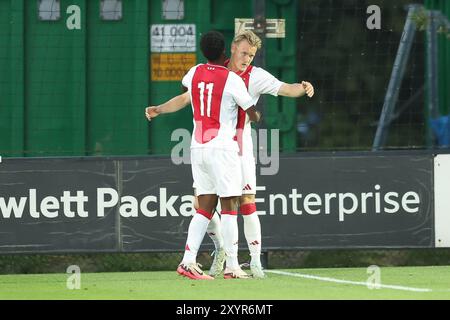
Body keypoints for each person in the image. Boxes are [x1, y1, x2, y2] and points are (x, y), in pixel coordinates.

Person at [147, 31, 314, 279]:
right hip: (220, 148)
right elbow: (188, 96)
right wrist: (161, 108)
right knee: (207, 205)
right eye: (244, 52)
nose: (247, 58)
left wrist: (302, 88)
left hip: (238, 148)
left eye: (252, 55)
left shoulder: (254, 76)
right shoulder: (222, 74)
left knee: (244, 202)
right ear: (233, 48)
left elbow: (285, 89)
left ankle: (254, 262)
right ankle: (222, 252)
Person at [146, 30, 261, 280]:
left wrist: (159, 109)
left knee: (204, 207)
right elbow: (253, 113)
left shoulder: (195, 72)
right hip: (222, 149)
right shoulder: (232, 79)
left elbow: (186, 96)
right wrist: (251, 114)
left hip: (198, 148)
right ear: (224, 52)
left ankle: (188, 260)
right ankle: (232, 266)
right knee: (230, 207)